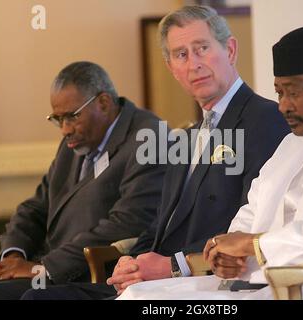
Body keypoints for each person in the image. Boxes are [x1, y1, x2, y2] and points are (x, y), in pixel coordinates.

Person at [20, 5, 289, 299]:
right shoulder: (183, 138)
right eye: (181, 54)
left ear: (231, 50)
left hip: (204, 286)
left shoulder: (267, 120)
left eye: (202, 48)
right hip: (152, 283)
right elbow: (158, 226)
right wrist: (131, 261)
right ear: (172, 68)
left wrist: (174, 266)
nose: (193, 64)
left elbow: (249, 228)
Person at [116, 25, 303, 300]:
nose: (283, 105)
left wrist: (254, 246)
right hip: (268, 286)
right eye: (279, 93)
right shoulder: (295, 143)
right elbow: (253, 209)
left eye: (294, 92)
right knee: (139, 295)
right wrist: (226, 252)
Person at [0, 61, 166, 299]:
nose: (64, 129)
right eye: (57, 119)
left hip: (87, 276)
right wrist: (13, 253)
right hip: (45, 267)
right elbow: (36, 207)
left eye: (71, 116)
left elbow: (128, 222)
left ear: (103, 103)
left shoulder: (149, 138)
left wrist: (43, 268)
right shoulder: (74, 141)